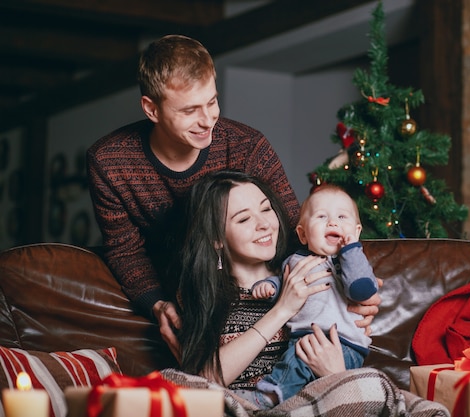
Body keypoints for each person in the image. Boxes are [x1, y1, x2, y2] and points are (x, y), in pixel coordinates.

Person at [85, 34, 326, 359]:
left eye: (212, 102)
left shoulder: (247, 146)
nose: (207, 120)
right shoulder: (109, 162)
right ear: (151, 109)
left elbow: (294, 229)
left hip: (263, 293)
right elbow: (125, 251)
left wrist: (337, 289)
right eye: (189, 110)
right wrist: (157, 303)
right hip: (191, 299)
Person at [174, 171, 449, 417]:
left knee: (382, 390)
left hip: (318, 401)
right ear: (216, 238)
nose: (264, 225)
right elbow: (205, 380)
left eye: (266, 209)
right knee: (173, 383)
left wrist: (336, 374)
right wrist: (283, 309)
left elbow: (358, 293)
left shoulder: (311, 266)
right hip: (244, 406)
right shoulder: (205, 294)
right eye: (244, 218)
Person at [252, 184, 378, 404]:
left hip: (345, 344)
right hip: (302, 337)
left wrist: (351, 251)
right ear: (302, 234)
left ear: (357, 232)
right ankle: (285, 399)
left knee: (297, 363)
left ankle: (271, 395)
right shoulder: (294, 261)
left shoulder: (352, 262)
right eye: (321, 216)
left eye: (342, 216)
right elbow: (283, 284)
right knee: (294, 363)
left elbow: (361, 290)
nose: (333, 222)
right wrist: (269, 287)